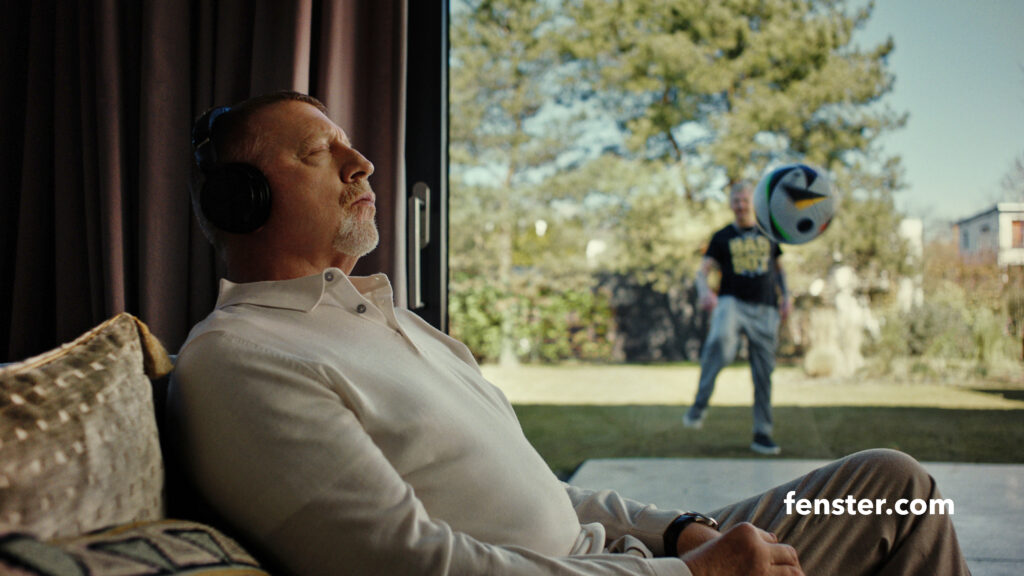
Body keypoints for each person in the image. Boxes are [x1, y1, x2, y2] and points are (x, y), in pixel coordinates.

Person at [169, 91, 971, 576]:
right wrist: (695, 572)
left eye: (350, 143)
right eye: (322, 151)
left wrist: (678, 530)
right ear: (242, 201)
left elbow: (544, 491)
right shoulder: (242, 361)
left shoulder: (386, 321)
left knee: (890, 486)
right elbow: (413, 566)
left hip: (628, 555)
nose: (363, 163)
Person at [683, 181, 792, 455]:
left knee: (764, 372)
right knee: (720, 342)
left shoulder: (769, 232)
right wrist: (704, 292)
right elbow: (702, 271)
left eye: (745, 200)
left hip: (765, 307)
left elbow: (779, 270)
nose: (741, 205)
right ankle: (699, 405)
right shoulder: (722, 236)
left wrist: (787, 297)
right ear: (731, 204)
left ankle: (762, 433)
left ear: (753, 202)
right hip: (732, 302)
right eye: (736, 200)